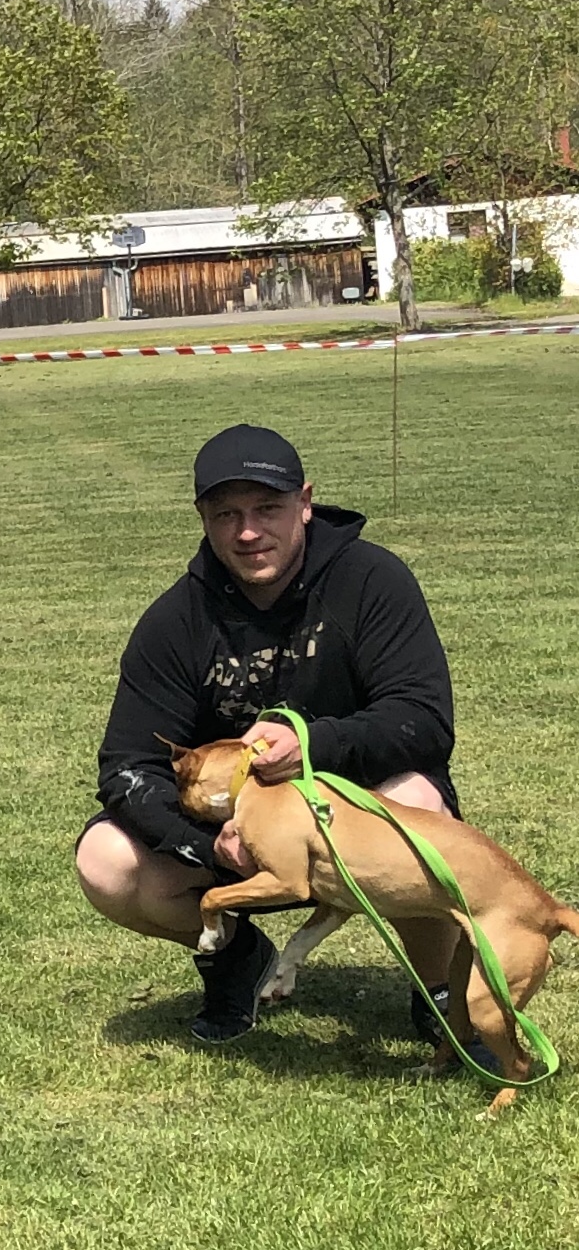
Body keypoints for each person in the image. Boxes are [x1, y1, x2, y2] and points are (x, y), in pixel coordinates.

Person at [78, 424, 459, 1043]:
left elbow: (423, 719)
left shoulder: (371, 581)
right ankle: (237, 957)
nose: (248, 532)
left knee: (418, 802)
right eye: (226, 514)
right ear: (203, 519)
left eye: (267, 509)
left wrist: (312, 744)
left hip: (352, 820)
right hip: (233, 834)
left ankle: (441, 990)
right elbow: (126, 766)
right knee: (106, 861)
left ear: (305, 503)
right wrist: (211, 846)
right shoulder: (177, 620)